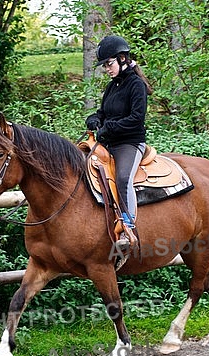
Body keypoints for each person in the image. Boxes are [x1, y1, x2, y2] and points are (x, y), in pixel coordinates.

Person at [85, 35, 153, 252]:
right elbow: (104, 113)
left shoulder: (136, 85)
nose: (107, 68)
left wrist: (110, 127)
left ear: (122, 59)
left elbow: (136, 118)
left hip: (130, 144)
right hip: (109, 142)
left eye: (109, 63)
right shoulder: (112, 86)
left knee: (123, 178)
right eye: (105, 65)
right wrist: (95, 119)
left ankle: (128, 225)